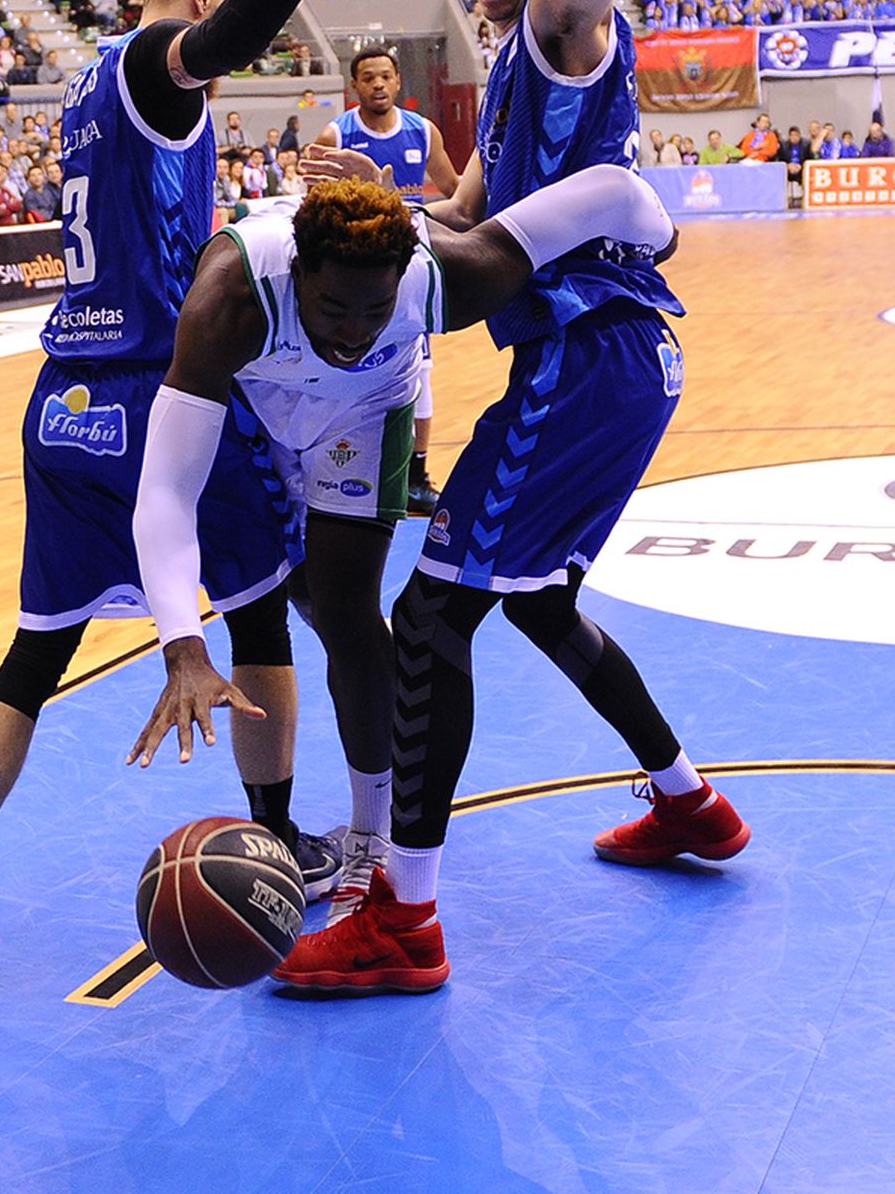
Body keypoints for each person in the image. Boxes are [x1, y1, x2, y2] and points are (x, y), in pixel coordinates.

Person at [273, 0, 747, 996]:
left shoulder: (563, 22)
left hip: (585, 355)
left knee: (430, 615)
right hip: (614, 359)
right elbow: (465, 216)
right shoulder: (508, 77)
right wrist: (378, 197)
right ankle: (688, 801)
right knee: (530, 597)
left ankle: (405, 922)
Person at [0, 0, 366, 974]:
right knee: (260, 601)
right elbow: (225, 44)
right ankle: (277, 841)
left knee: (33, 651)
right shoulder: (156, 66)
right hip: (161, 399)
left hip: (63, 403)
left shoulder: (85, 99)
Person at [127, 164, 678, 931]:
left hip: (366, 416)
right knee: (298, 594)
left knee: (349, 611)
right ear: (299, 271)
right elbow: (163, 494)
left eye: (374, 309)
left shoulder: (448, 274)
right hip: (255, 406)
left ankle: (371, 837)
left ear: (404, 282)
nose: (354, 331)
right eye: (333, 308)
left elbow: (617, 192)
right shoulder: (231, 295)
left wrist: (665, 236)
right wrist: (183, 647)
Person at [317, 45, 460, 514]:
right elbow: (314, 204)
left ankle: (416, 476)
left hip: (409, 268)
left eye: (385, 77)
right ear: (354, 85)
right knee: (346, 366)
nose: (378, 84)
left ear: (398, 82)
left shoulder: (424, 131)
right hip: (354, 275)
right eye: (368, 78)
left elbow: (456, 193)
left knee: (420, 372)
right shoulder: (336, 134)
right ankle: (336, 466)